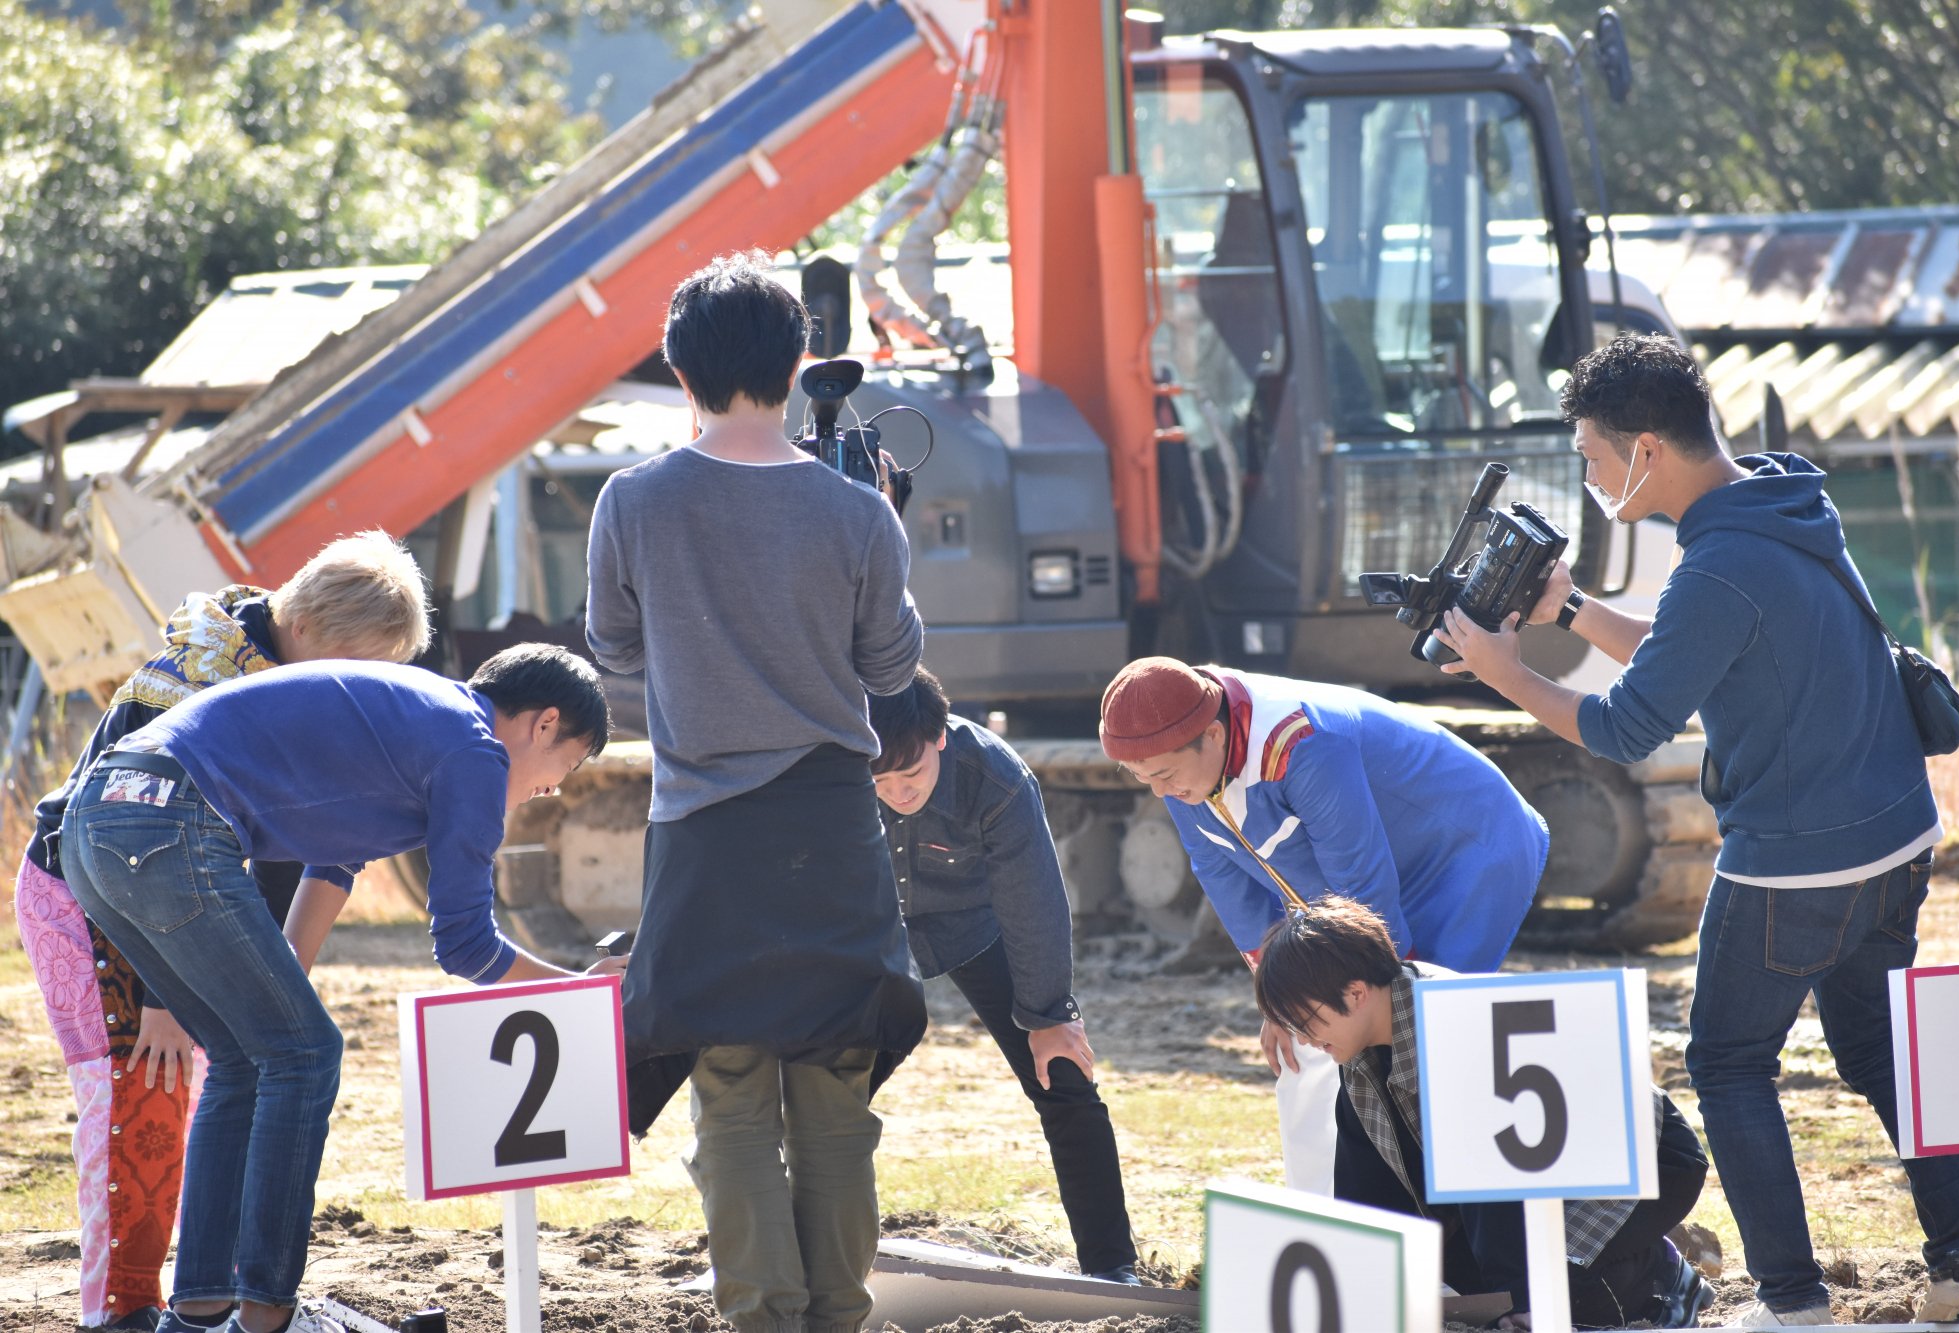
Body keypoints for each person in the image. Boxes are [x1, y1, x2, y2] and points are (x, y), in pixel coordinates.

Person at [1430, 333, 1959, 1326]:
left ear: (1645, 449)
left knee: (1727, 1062)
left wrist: (1501, 670)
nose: (1591, 477)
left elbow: (1623, 723)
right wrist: (1565, 607)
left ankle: (1790, 1301)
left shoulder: (1716, 566)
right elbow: (1687, 648)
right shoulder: (1783, 502)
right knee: (1876, 1047)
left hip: (1796, 865)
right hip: (1899, 835)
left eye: (1592, 457)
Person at [58, 644, 625, 1333]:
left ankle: (201, 1313)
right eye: (566, 765)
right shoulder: (476, 752)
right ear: (543, 724)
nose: (552, 788)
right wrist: (583, 992)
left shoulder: (417, 719)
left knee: (247, 1054)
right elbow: (466, 944)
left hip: (97, 819)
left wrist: (282, 987)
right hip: (170, 822)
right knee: (307, 1054)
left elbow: (331, 861)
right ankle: (266, 1315)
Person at [586, 251, 926, 1333]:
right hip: (831, 825)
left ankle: (762, 1318)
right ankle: (837, 1318)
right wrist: (883, 526)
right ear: (797, 365)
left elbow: (611, 644)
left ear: (679, 370)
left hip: (702, 833)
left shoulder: (633, 499)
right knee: (834, 1095)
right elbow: (891, 669)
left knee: (727, 1089)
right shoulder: (855, 513)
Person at [11, 532, 429, 1331]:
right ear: (305, 626)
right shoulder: (193, 680)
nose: (354, 685)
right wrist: (170, 997)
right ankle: (119, 1308)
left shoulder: (288, 679)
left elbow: (300, 852)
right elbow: (133, 838)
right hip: (92, 900)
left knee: (197, 1091)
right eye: (353, 660)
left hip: (169, 910)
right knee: (135, 1103)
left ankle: (199, 1292)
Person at [1097, 655, 1548, 1193]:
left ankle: (1471, 1231)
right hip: (1374, 871)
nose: (1159, 793)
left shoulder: (1301, 742)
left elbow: (1362, 889)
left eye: (1164, 776)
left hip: (1465, 850)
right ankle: (1333, 1227)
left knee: (1422, 1040)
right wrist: (1280, 997)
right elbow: (1219, 868)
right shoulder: (1177, 757)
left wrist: (1339, 1000)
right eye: (1143, 780)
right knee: (1316, 1035)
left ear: (1213, 737)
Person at [1253, 897, 1714, 1330]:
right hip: (1530, 1175)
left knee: (1547, 1289)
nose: (1304, 1038)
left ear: (1354, 994)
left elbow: (1494, 1181)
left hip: (1645, 1159)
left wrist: (1523, 1297)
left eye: (1306, 1021)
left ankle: (1663, 1281)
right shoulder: (1358, 1050)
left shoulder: (1454, 1025)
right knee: (1467, 1278)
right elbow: (1370, 1185)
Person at [866, 666, 1140, 1284]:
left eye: (910, 776)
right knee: (830, 1082)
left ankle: (1112, 1266)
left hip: (977, 920)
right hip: (875, 923)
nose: (897, 793)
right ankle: (807, 1239)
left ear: (939, 738)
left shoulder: (995, 776)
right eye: (880, 782)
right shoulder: (842, 760)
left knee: (1062, 1074)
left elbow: (1033, 900)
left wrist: (1047, 1015)